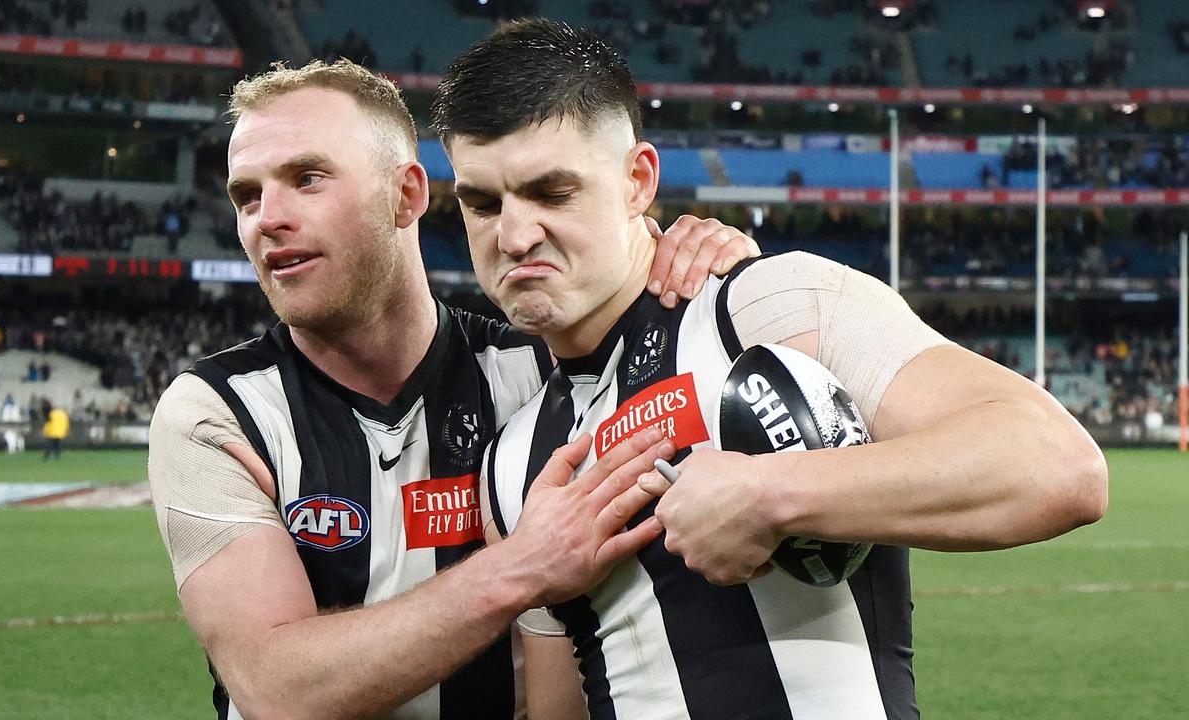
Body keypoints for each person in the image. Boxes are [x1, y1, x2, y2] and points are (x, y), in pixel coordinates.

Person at [436, 19, 1109, 720]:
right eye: (482, 203)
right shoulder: (510, 466)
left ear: (638, 182)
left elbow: (1060, 466)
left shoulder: (765, 306)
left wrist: (769, 494)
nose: (512, 236)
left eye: (552, 193)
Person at [146, 59, 760, 720]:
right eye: (247, 195)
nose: (268, 218)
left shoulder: (541, 375)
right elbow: (276, 689)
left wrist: (709, 264)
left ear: (407, 195)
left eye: (307, 178)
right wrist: (524, 567)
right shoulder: (216, 413)